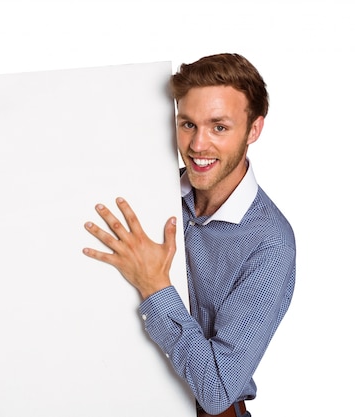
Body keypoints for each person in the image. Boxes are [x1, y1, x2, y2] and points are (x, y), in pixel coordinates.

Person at [83, 53, 296, 417]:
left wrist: (154, 286)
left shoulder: (270, 242)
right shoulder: (150, 194)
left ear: (254, 130)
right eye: (188, 124)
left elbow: (216, 389)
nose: (198, 145)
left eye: (219, 127)